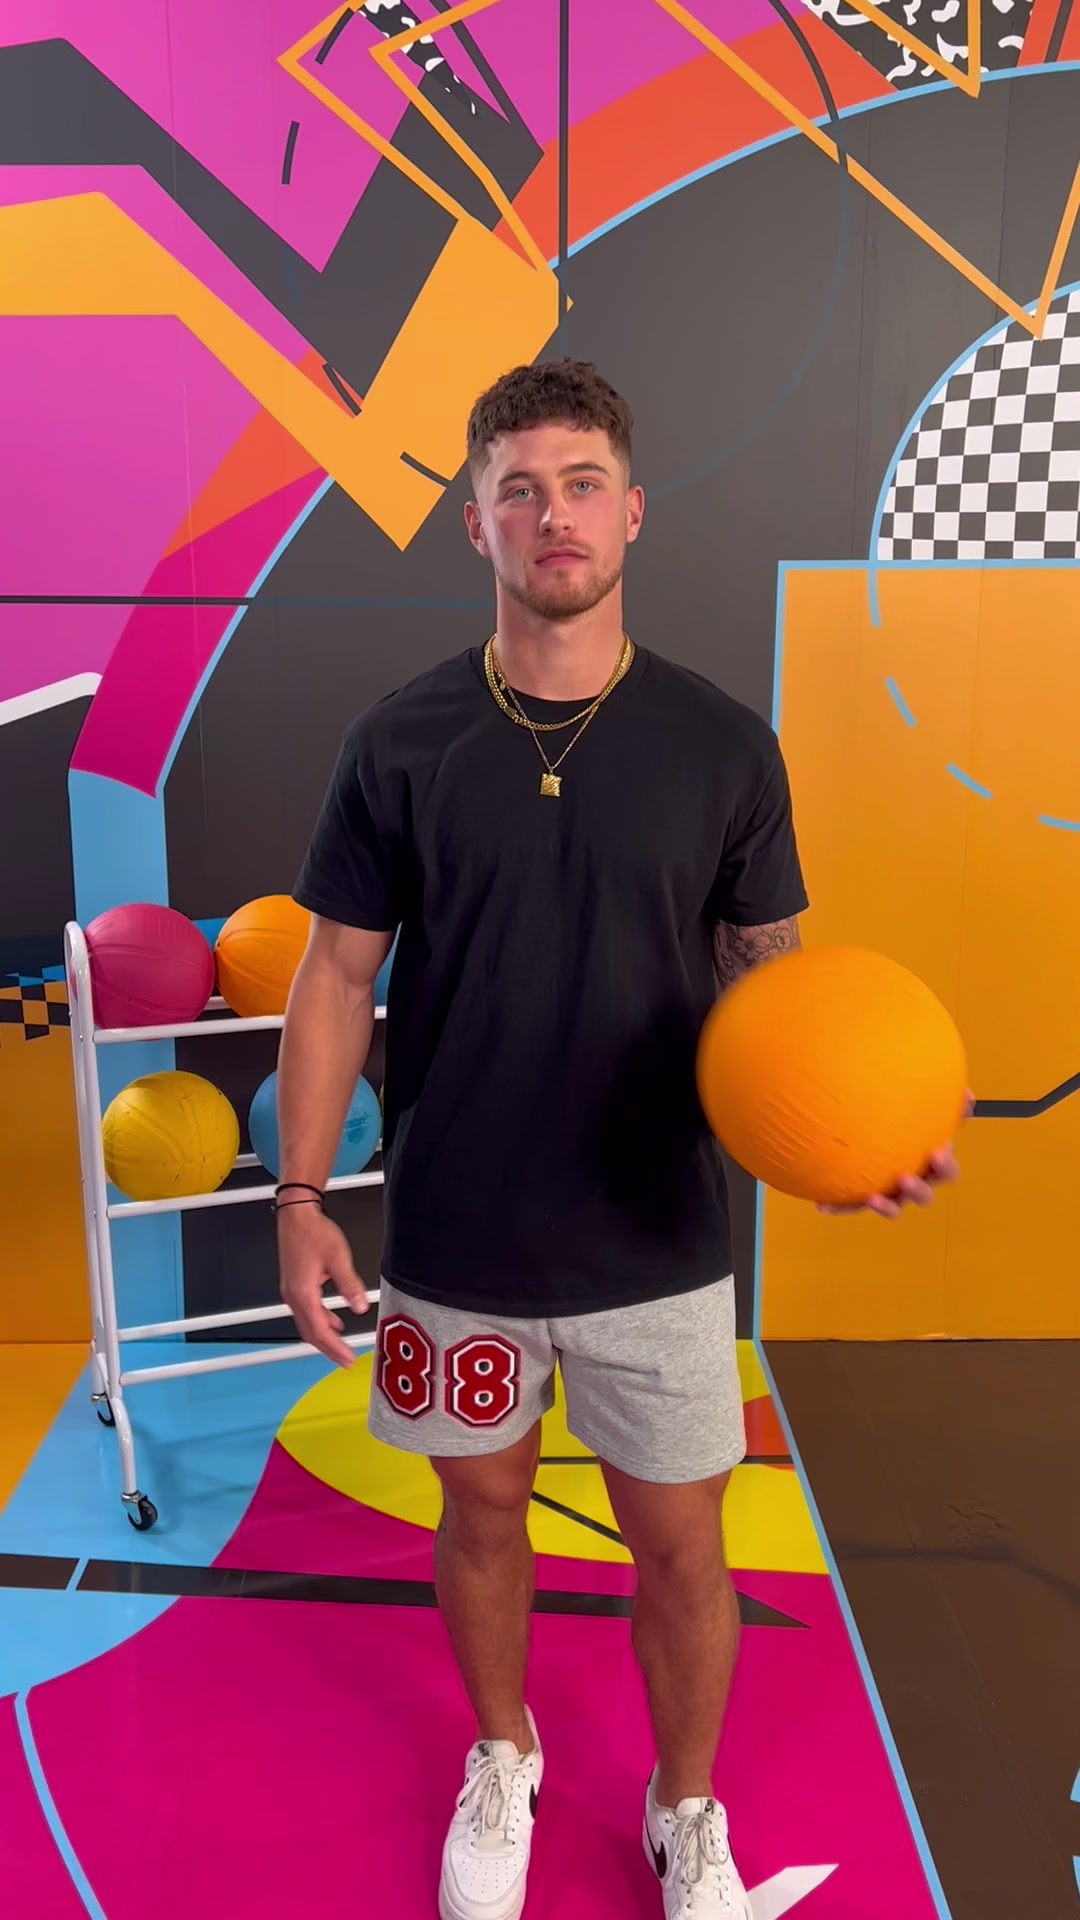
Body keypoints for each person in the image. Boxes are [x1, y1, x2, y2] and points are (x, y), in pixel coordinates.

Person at [276, 361, 964, 1920]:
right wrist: (302, 1191)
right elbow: (334, 976)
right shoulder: (400, 741)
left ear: (634, 511)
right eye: (518, 489)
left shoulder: (724, 746)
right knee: (479, 1514)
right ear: (475, 524)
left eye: (582, 482)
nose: (554, 515)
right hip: (455, 1236)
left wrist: (858, 1128)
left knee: (684, 1546)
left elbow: (776, 993)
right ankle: (503, 1755)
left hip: (657, 1240)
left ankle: (685, 1809)